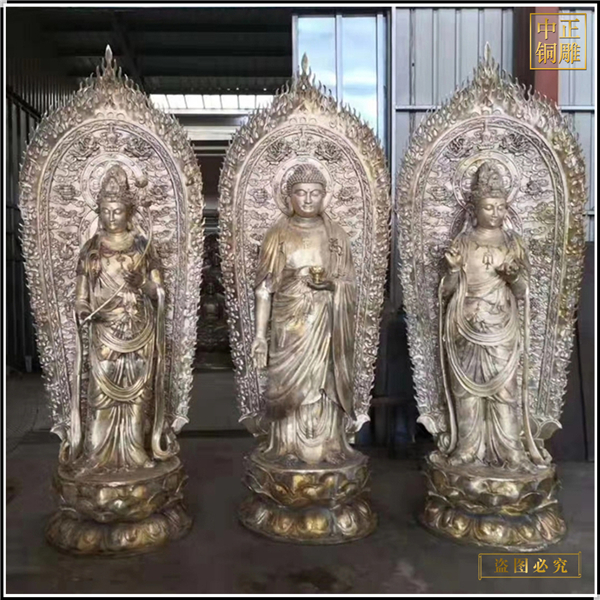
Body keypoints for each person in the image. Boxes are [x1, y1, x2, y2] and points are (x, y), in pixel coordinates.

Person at [440, 161, 545, 470]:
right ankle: (467, 448)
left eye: (500, 207)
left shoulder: (513, 244)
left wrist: (513, 277)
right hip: (465, 324)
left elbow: (524, 291)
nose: (496, 213)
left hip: (501, 327)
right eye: (489, 207)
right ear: (475, 209)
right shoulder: (462, 243)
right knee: (466, 391)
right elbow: (446, 292)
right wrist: (452, 271)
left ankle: (511, 450)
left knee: (504, 391)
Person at [250, 163, 356, 466]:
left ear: (325, 196)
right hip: (289, 329)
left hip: (326, 326)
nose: (308, 199)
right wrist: (260, 337)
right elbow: (264, 289)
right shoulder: (278, 235)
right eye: (301, 192)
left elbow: (350, 285)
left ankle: (328, 445)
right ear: (289, 197)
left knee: (324, 384)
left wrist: (332, 285)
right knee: (288, 388)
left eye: (314, 193)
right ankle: (286, 447)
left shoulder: (337, 236)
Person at [71, 165, 172, 472]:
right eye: (105, 211)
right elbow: (81, 296)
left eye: (117, 211)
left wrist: (142, 284)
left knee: (138, 394)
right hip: (105, 330)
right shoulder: (91, 249)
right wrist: (84, 311)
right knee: (100, 395)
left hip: (138, 330)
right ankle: (96, 454)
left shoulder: (142, 246)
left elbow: (159, 291)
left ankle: (136, 450)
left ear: (129, 213)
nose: (111, 217)